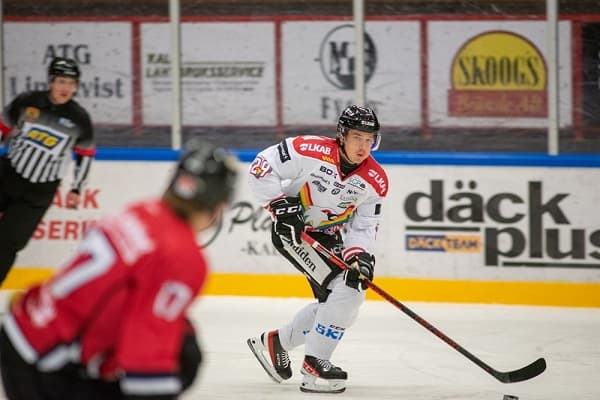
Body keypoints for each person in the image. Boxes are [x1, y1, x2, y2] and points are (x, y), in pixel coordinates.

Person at [0, 139, 238, 400]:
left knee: (183, 342)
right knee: (184, 356)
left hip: (23, 328)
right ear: (219, 203)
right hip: (44, 364)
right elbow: (148, 348)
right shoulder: (183, 255)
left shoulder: (142, 211)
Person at [246, 105, 389, 393]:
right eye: (357, 138)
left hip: (327, 238)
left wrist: (359, 256)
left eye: (369, 139)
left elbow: (364, 225)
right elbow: (262, 166)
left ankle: (277, 342)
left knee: (340, 302)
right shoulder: (309, 149)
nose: (363, 147)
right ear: (342, 136)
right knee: (348, 291)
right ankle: (315, 363)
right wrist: (278, 205)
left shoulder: (376, 179)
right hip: (294, 233)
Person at [0, 57, 96, 286]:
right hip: (8, 175)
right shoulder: (27, 102)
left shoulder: (80, 119)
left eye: (71, 83)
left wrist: (76, 188)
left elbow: (85, 154)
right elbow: (3, 128)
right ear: (51, 81)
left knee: (9, 242)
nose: (66, 88)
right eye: (61, 81)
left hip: (40, 191)